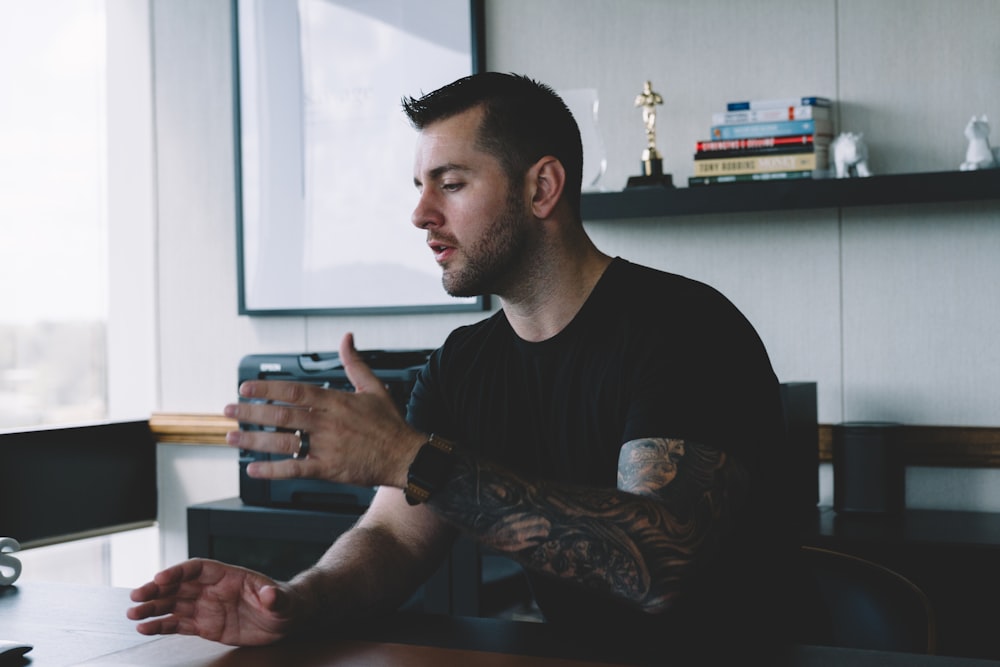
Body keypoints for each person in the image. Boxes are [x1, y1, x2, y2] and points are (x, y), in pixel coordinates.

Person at [128, 72, 799, 660]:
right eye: (421, 187)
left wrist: (416, 458)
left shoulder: (686, 329)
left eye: (450, 184)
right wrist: (295, 601)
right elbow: (394, 535)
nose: (421, 214)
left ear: (542, 187)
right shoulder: (464, 363)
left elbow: (657, 564)